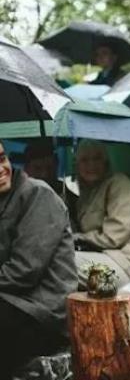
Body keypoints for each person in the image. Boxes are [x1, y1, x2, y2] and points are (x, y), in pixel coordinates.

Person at [0, 139, 77, 378]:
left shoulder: (37, 194)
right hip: (12, 304)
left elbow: (24, 272)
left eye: (2, 158)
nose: (1, 167)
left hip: (42, 312)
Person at [71, 140, 130, 288]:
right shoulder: (86, 195)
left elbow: (114, 237)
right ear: (77, 165)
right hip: (100, 258)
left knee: (63, 263)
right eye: (85, 160)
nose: (91, 165)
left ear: (106, 162)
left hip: (125, 265)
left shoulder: (120, 184)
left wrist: (80, 238)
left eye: (97, 159)